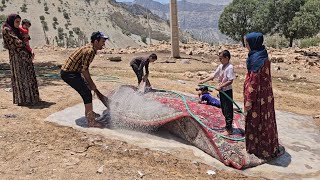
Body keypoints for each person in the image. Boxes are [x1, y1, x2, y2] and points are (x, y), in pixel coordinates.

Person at [243, 32, 283, 159]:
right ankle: (269, 145)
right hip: (266, 97)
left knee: (255, 121)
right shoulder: (262, 54)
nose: (246, 46)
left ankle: (258, 148)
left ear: (253, 43)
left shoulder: (256, 60)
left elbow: (253, 83)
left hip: (257, 99)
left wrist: (249, 100)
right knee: (266, 119)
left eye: (247, 43)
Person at [60, 31, 109, 128]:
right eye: (102, 41)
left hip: (75, 72)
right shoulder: (90, 51)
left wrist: (89, 83)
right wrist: (92, 84)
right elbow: (84, 70)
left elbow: (82, 68)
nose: (104, 44)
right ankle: (91, 121)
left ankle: (89, 112)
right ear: (96, 41)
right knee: (86, 93)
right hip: (69, 73)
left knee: (87, 89)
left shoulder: (91, 49)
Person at [2, 14, 40, 106]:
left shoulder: (16, 30)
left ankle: (31, 98)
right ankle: (23, 99)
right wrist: (27, 47)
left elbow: (24, 40)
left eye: (19, 22)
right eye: (17, 22)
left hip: (25, 57)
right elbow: (17, 43)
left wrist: (29, 51)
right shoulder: (7, 30)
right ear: (12, 21)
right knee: (21, 77)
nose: (18, 24)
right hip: (17, 59)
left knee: (28, 76)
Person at [199, 50, 236, 135]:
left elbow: (230, 81)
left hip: (227, 91)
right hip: (222, 91)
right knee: (223, 108)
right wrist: (204, 80)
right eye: (219, 58)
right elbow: (213, 75)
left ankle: (229, 129)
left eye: (221, 58)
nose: (220, 60)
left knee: (228, 110)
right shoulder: (221, 66)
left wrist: (221, 86)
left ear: (227, 58)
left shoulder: (229, 67)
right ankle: (228, 126)